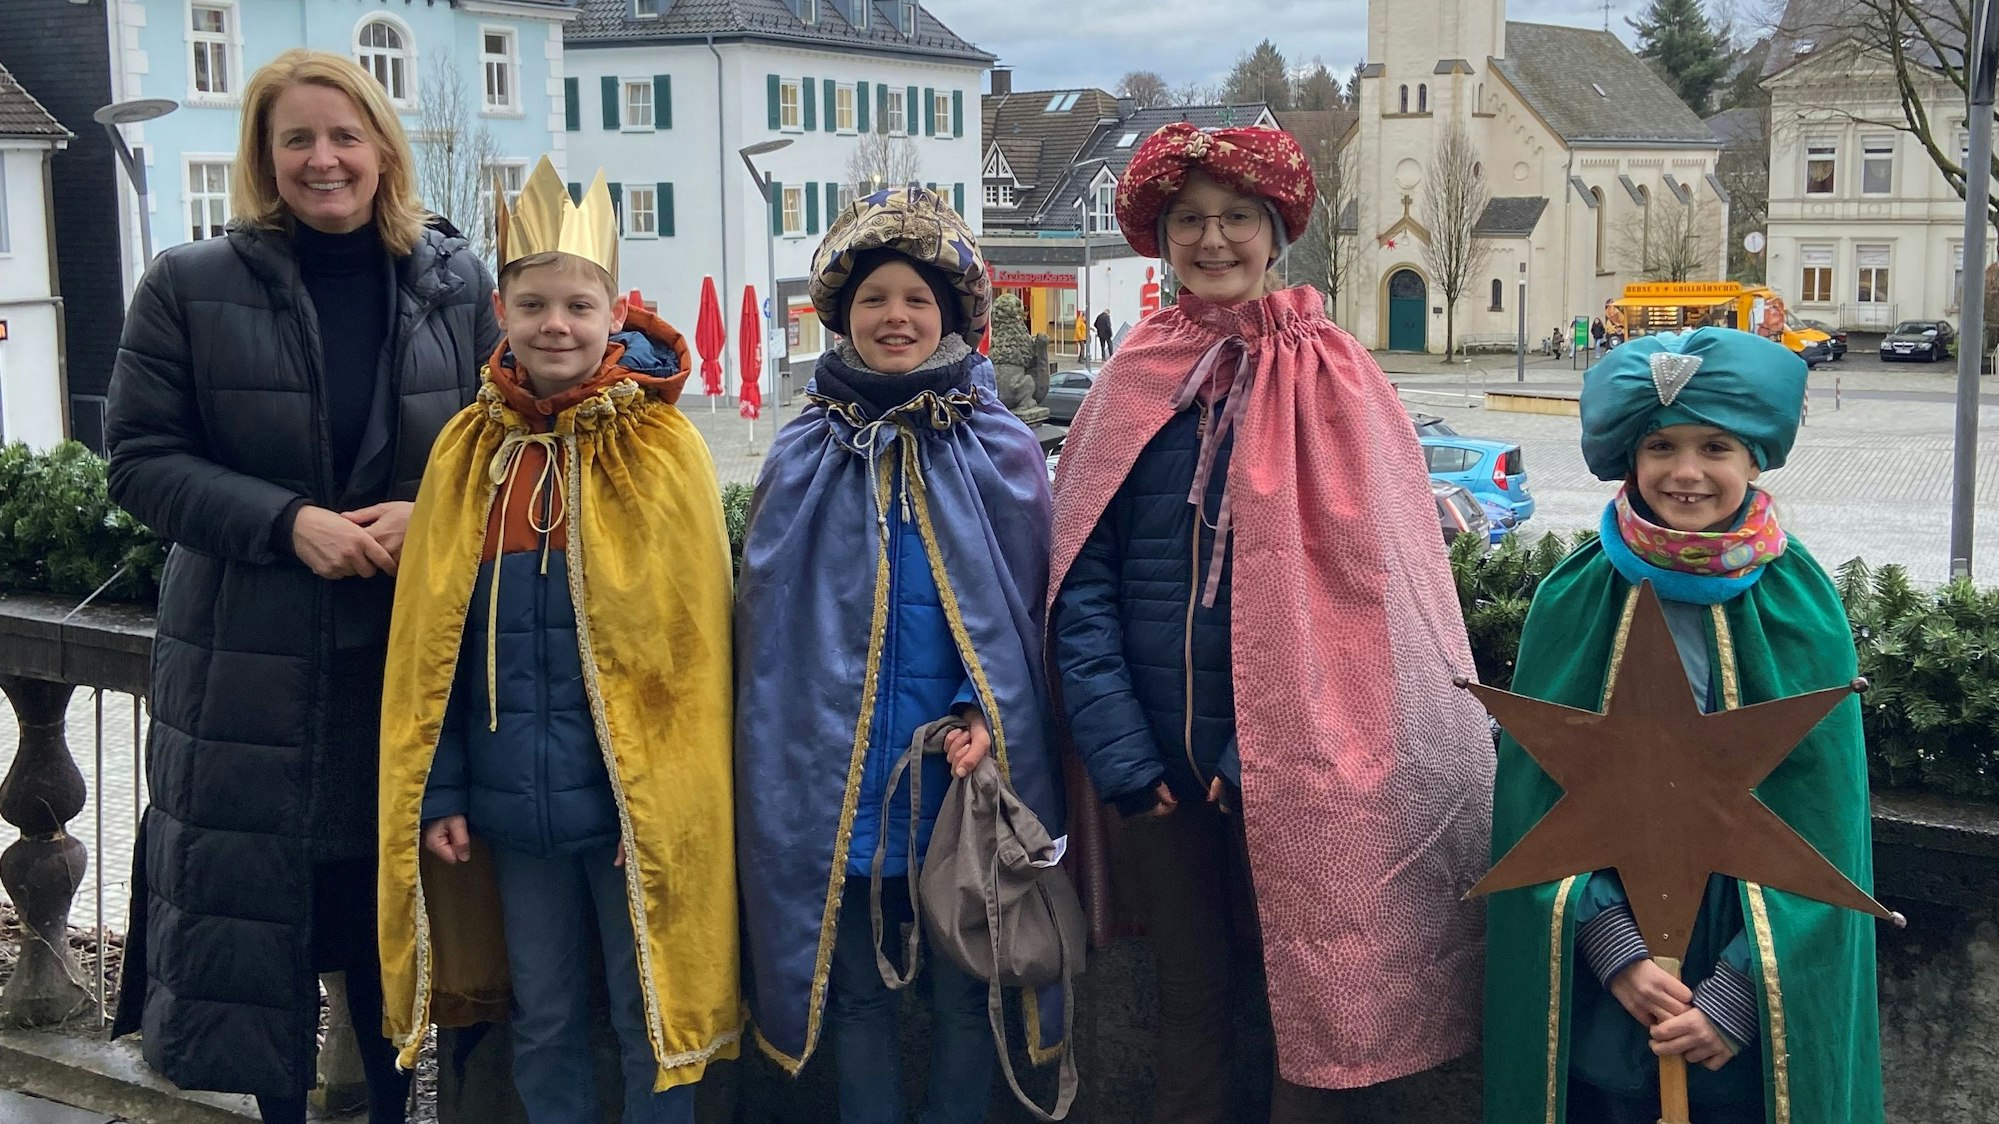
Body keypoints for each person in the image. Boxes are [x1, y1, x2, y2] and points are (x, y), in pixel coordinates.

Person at [1047, 122, 1493, 1123]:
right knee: (1193, 1009)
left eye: (1236, 218)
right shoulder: (1131, 385)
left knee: (1321, 1009)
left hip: (1303, 772)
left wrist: (1262, 755)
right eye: (1191, 221)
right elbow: (1082, 580)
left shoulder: (1333, 376)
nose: (1214, 241)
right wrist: (1123, 754)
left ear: (1274, 230)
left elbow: (1366, 591)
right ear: (1162, 241)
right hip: (1159, 772)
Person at [105, 49, 498, 1123]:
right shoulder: (189, 284)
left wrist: (436, 511)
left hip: (405, 663)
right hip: (251, 668)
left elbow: (506, 446)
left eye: (344, 135)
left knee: (390, 916)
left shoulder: (457, 280)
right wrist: (286, 523)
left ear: (382, 147)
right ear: (264, 157)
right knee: (268, 925)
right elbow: (137, 460)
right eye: (297, 140)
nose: (324, 159)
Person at [375, 159, 740, 1123]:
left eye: (578, 305)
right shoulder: (467, 452)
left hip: (632, 814)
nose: (555, 326)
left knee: (644, 1011)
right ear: (500, 308)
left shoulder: (664, 450)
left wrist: (657, 800)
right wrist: (444, 786)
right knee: (542, 1013)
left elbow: (691, 654)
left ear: (613, 309)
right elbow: (434, 657)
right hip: (507, 811)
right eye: (533, 303)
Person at [1485, 328, 1882, 1123]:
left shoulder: (1797, 604)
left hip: (1743, 972)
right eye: (1661, 445)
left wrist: (1739, 994)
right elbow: (1535, 799)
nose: (1686, 472)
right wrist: (1616, 955)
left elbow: (1821, 819)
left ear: (1753, 460)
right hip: (1612, 987)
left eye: (1715, 447)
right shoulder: (1577, 596)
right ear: (1629, 458)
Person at [734, 185, 1065, 1124]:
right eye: (876, 298)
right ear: (843, 315)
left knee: (965, 995)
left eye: (917, 300)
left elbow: (1020, 608)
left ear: (952, 315)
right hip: (836, 786)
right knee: (858, 997)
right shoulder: (805, 450)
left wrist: (979, 708)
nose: (896, 317)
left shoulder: (997, 448)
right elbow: (773, 630)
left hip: (952, 788)